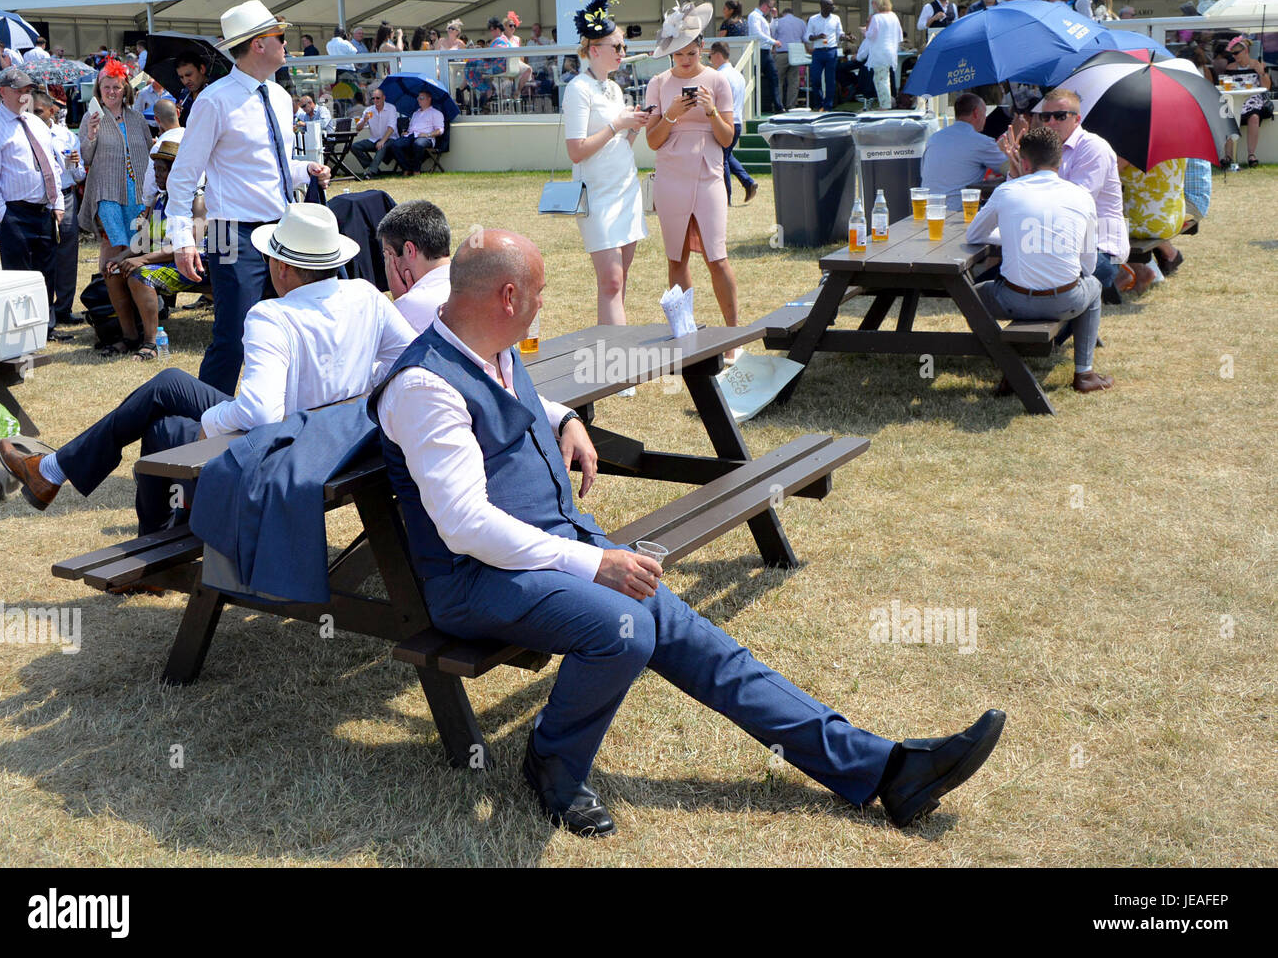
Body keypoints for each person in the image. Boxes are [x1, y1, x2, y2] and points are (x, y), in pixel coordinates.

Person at [371, 228, 1007, 836]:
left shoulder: (489, 344)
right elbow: (464, 527)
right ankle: (552, 764)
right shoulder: (426, 386)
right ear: (508, 297)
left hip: (550, 550)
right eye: (536, 294)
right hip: (477, 579)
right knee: (626, 629)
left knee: (704, 646)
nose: (542, 305)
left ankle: (884, 769)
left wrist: (564, 416)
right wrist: (593, 566)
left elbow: (511, 404)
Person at [0, 203, 414, 534]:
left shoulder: (273, 315)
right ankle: (54, 473)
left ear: (283, 267)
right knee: (169, 386)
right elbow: (410, 357)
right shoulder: (365, 295)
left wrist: (210, 422)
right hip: (339, 437)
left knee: (164, 425)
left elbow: (260, 413)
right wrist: (363, 386)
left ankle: (66, 482)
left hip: (288, 443)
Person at [165, 0, 333, 395]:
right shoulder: (214, 100)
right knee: (232, 339)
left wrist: (304, 170)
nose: (287, 42)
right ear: (258, 44)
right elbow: (183, 177)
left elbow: (274, 162)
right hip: (232, 234)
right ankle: (200, 430)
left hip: (281, 231)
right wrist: (182, 240)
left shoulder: (276, 95)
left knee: (293, 330)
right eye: (280, 36)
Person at [967, 127, 1112, 393]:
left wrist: (1013, 236)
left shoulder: (1007, 191)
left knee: (971, 296)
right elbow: (1088, 266)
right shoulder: (1082, 197)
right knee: (1095, 288)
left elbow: (974, 234)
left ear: (1023, 162)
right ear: (1061, 161)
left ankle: (1008, 364)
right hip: (1067, 301)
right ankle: (1085, 372)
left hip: (1014, 300)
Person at [644, 2, 740, 351]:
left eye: (691, 52)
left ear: (702, 47)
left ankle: (733, 336)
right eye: (678, 53)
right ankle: (686, 336)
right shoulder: (658, 83)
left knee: (717, 254)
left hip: (709, 172)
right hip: (671, 175)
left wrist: (711, 110)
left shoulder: (717, 80)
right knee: (676, 256)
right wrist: (669, 115)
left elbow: (727, 138)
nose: (685, 59)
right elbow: (652, 140)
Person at [562, 0, 652, 328]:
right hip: (597, 194)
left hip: (625, 188)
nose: (622, 53)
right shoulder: (578, 89)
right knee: (611, 281)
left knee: (620, 281)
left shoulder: (614, 88)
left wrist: (635, 128)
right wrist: (618, 125)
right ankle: (617, 367)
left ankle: (615, 362)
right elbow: (577, 150)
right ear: (594, 48)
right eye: (617, 46)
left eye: (623, 46)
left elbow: (617, 143)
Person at [1016, 88, 1128, 304]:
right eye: (1045, 117)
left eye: (1060, 116)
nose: (1051, 123)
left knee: (1052, 293)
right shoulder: (1046, 151)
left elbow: (1073, 205)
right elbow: (1018, 200)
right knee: (1010, 281)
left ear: (1077, 119)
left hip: (1099, 245)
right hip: (1059, 242)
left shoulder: (1093, 148)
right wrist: (1019, 167)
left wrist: (1028, 180)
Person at [0, 68, 66, 338]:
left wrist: (57, 201)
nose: (24, 95)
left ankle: (45, 327)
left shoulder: (36, 122)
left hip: (43, 209)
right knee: (19, 274)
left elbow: (51, 165)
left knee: (46, 271)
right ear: (3, 92)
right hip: (16, 210)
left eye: (27, 90)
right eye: (18, 90)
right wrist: (5, 214)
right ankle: (23, 329)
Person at [80, 60, 153, 355]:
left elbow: (150, 152)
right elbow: (85, 157)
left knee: (138, 258)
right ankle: (126, 331)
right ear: (99, 90)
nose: (111, 91)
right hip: (108, 195)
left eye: (116, 87)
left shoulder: (136, 119)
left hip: (138, 197)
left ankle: (145, 330)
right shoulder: (91, 118)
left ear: (124, 89)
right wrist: (92, 134)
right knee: (112, 262)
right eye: (106, 87)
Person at [117, 135, 211, 358]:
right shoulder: (162, 199)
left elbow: (189, 245)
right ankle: (129, 337)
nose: (157, 175)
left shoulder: (197, 200)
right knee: (114, 272)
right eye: (156, 170)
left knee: (140, 275)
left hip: (195, 264)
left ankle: (151, 344)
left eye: (163, 170)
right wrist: (120, 257)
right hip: (166, 260)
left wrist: (141, 259)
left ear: (177, 172)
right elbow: (145, 239)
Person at [33, 91, 86, 327]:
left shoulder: (65, 136)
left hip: (65, 197)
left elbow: (80, 174)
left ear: (51, 111)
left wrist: (74, 164)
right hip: (38, 202)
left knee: (66, 253)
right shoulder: (26, 133)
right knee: (42, 256)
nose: (33, 116)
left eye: (38, 112)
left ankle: (63, 307)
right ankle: (44, 312)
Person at [921, 93, 1009, 208]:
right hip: (959, 214)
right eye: (985, 112)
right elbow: (1011, 171)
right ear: (976, 113)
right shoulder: (981, 142)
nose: (986, 117)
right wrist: (1012, 150)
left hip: (929, 211)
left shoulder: (934, 138)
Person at [378, 200, 453, 333]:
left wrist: (402, 303)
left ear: (409, 250)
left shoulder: (408, 307)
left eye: (388, 255)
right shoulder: (475, 282)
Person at [1118, 157, 1187, 292]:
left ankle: (1122, 274)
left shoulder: (1131, 151)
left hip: (1149, 222)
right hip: (1174, 217)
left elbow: (1106, 174)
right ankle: (1137, 270)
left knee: (1102, 227)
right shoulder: (1173, 146)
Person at [708, 41, 757, 204]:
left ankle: (726, 197)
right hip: (737, 121)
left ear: (717, 55)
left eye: (710, 57)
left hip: (724, 121)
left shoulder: (720, 76)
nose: (710, 61)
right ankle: (747, 182)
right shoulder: (738, 75)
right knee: (726, 155)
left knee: (722, 159)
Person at [1217, 37, 1272, 169]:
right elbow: (1227, 86)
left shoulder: (1257, 65)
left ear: (1246, 51)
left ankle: (1251, 155)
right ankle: (1228, 156)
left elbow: (1267, 87)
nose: (1235, 57)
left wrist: (1262, 73)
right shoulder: (1231, 67)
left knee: (1254, 117)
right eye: (1233, 54)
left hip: (1252, 98)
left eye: (1237, 53)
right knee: (1227, 116)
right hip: (1235, 98)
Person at [389, 89, 445, 175]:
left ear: (429, 99)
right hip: (412, 135)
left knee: (418, 144)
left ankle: (416, 170)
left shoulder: (436, 113)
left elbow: (440, 130)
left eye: (421, 98)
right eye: (418, 98)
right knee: (395, 145)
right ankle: (406, 168)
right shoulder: (415, 113)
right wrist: (406, 132)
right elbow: (411, 128)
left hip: (426, 137)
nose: (419, 100)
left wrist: (427, 134)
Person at [863, 0, 903, 110]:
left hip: (880, 52)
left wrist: (864, 31)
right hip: (891, 51)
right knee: (884, 79)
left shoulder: (877, 18)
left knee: (881, 80)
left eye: (873, 2)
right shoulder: (893, 16)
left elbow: (871, 35)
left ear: (876, 3)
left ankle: (885, 105)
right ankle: (886, 103)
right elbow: (900, 34)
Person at [804, 0, 845, 111]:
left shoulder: (836, 18)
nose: (833, 7)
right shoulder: (813, 19)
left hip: (831, 50)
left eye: (833, 5)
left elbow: (840, 33)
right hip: (818, 52)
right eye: (830, 5)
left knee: (830, 80)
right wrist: (818, 36)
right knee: (816, 79)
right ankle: (819, 104)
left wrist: (845, 37)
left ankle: (828, 106)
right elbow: (807, 37)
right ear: (822, 6)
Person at [351, 87, 399, 178]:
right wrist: (364, 121)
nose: (375, 100)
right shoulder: (369, 110)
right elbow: (358, 128)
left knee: (382, 145)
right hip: (374, 139)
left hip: (390, 138)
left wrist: (382, 141)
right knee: (354, 147)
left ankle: (371, 172)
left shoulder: (391, 108)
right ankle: (372, 167)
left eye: (378, 98)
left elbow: (391, 127)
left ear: (384, 98)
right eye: (373, 98)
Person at [747, 0, 783, 114]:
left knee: (774, 78)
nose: (771, 9)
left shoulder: (762, 17)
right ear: (764, 5)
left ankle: (778, 106)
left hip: (766, 51)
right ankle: (754, 107)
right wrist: (773, 42)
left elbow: (771, 29)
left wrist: (775, 17)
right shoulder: (754, 16)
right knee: (755, 79)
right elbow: (757, 33)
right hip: (758, 51)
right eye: (770, 6)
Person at [772, 4, 807, 110]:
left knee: (778, 81)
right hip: (796, 53)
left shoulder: (778, 22)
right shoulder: (801, 22)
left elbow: (773, 37)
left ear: (783, 14)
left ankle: (779, 106)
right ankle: (791, 105)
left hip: (781, 52)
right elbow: (805, 38)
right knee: (794, 81)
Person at [174, 52, 211, 126]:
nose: (185, 81)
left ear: (202, 69)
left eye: (188, 75)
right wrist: (175, 117)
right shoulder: (183, 95)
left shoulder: (216, 92)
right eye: (181, 77)